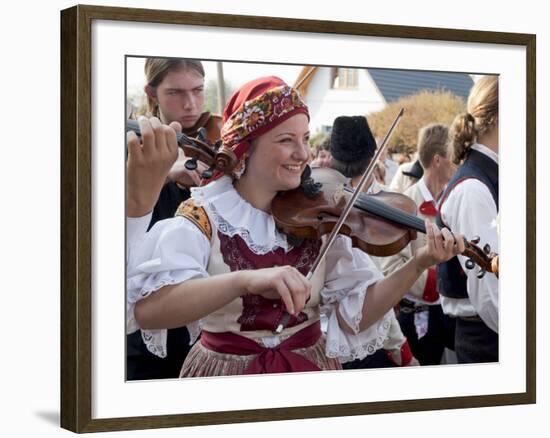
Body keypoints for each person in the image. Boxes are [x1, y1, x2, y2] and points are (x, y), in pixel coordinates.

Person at [126, 76, 464, 377]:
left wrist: (418, 264)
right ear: (244, 148)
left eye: (305, 138)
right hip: (225, 375)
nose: (303, 153)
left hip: (311, 370)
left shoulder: (320, 218)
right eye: (287, 140)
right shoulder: (205, 214)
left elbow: (356, 315)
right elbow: (150, 311)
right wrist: (244, 281)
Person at [126, 58, 221, 380]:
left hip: (206, 314)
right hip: (147, 316)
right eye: (175, 93)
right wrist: (166, 175)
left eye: (197, 91)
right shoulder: (132, 146)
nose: (191, 104)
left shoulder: (214, 145)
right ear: (151, 93)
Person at [315, 115, 417, 369]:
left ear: (331, 158)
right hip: (344, 342)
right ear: (373, 157)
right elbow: (372, 288)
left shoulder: (394, 206)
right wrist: (399, 347)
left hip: (372, 337)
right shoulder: (319, 206)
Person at [380, 123, 457, 365]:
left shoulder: (457, 198)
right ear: (438, 160)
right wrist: (441, 282)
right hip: (417, 315)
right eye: (454, 156)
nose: (459, 163)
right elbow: (390, 268)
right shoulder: (405, 204)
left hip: (451, 312)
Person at [436, 75, 499, 363]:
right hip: (488, 342)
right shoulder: (473, 188)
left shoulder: (491, 176)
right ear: (499, 118)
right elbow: (490, 297)